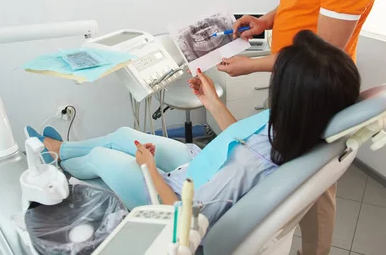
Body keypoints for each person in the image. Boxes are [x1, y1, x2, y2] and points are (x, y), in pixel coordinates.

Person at [25, 30, 361, 230]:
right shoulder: (292, 125)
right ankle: (59, 150)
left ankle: (57, 159)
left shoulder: (245, 172)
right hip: (199, 164)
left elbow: (183, 217)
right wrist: (211, 101)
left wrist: (150, 170)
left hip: (168, 197)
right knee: (124, 135)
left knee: (101, 155)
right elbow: (241, 140)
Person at [217, 0, 381, 255]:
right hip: (289, 76)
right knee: (285, 174)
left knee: (313, 185)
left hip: (315, 85)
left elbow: (320, 55)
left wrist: (251, 65)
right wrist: (265, 21)